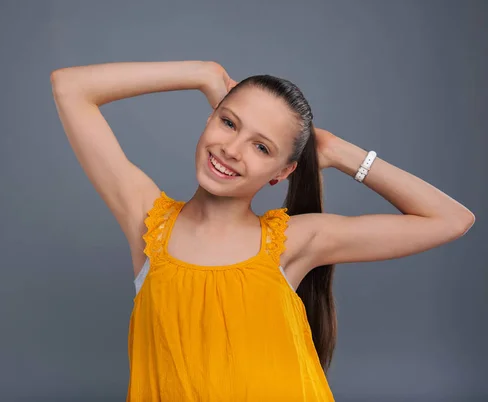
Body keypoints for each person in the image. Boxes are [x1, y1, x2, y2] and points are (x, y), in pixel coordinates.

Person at [50, 61, 475, 401]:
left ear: (283, 172)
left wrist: (341, 153)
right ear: (210, 119)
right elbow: (70, 87)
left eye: (262, 147)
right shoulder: (148, 222)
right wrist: (202, 74)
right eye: (229, 123)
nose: (232, 151)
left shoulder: (293, 241)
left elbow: (451, 219)